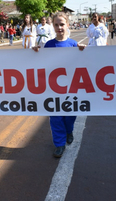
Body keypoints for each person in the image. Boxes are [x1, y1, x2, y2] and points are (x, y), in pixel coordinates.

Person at [32, 12, 85, 158]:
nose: (59, 27)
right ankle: (59, 144)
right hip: (52, 88)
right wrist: (35, 52)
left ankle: (69, 130)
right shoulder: (49, 45)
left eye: (62, 24)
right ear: (52, 26)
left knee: (69, 115)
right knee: (55, 117)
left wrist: (85, 51)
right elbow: (41, 63)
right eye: (56, 25)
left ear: (67, 25)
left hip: (70, 88)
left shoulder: (74, 45)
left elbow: (84, 64)